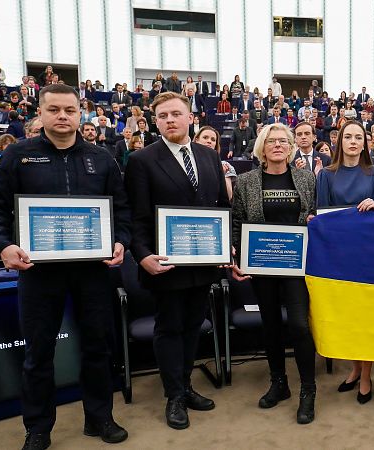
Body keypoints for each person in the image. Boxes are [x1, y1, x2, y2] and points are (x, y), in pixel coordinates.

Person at [0, 83, 131, 449]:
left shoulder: (102, 158)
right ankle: (38, 428)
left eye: (70, 110)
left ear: (81, 114)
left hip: (92, 271)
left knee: (98, 346)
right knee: (39, 352)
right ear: (41, 113)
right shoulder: (17, 156)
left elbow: (121, 210)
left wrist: (121, 240)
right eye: (54, 110)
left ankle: (99, 418)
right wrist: (4, 245)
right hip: (38, 272)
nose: (63, 117)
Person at [124, 92, 229, 430]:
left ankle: (185, 386)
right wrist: (142, 257)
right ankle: (174, 397)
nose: (170, 120)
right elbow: (136, 218)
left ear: (190, 118)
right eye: (163, 115)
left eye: (176, 114)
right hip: (165, 264)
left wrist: (225, 248)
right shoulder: (142, 160)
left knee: (192, 327)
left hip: (203, 262)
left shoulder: (209, 157)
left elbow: (220, 211)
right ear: (155, 121)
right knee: (169, 328)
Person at [228, 123, 318, 424]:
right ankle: (279, 383)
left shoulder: (307, 179)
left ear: (291, 146)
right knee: (270, 326)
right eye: (271, 141)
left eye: (283, 141)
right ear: (261, 148)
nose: (278, 145)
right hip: (262, 264)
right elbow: (237, 222)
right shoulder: (246, 182)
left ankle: (308, 390)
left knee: (299, 326)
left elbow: (315, 216)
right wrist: (238, 254)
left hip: (297, 264)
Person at [317, 121, 374, 404]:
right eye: (347, 136)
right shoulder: (326, 175)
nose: (352, 141)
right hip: (339, 256)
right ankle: (353, 368)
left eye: (358, 137)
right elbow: (322, 215)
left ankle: (365, 376)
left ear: (365, 143)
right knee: (348, 318)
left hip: (369, 255)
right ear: (339, 142)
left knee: (367, 318)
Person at [194, 125, 235, 201]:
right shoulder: (188, 162)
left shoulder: (225, 165)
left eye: (213, 140)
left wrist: (221, 175)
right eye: (205, 137)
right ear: (196, 140)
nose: (209, 141)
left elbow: (228, 196)